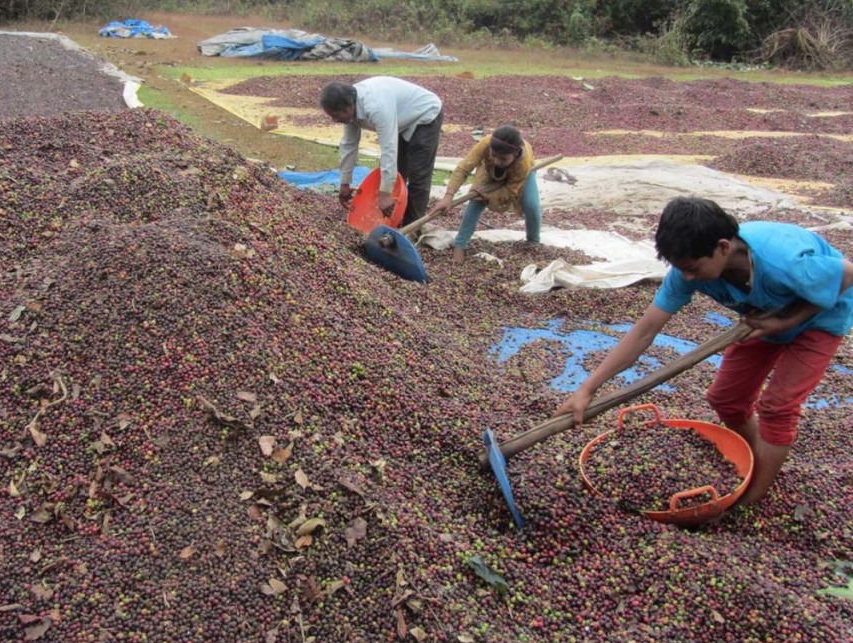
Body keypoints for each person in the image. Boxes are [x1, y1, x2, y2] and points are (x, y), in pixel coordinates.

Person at [555, 197, 853, 507]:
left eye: (693, 268)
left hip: (820, 319)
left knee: (777, 406)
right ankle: (752, 463)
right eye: (680, 269)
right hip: (761, 320)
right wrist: (587, 389)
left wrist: (786, 320)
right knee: (726, 398)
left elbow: (846, 275)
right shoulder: (687, 272)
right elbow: (645, 330)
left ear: (723, 247)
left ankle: (751, 499)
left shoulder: (784, 260)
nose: (687, 278)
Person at [320, 77, 442, 227]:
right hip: (400, 120)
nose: (334, 120)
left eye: (336, 116)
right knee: (395, 174)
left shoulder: (376, 107)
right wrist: (344, 183)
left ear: (349, 107)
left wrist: (385, 194)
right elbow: (349, 144)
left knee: (418, 174)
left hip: (424, 114)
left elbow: (388, 149)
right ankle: (392, 219)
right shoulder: (350, 108)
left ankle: (411, 227)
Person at [428, 125, 541, 263]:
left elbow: (510, 191)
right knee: (476, 198)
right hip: (489, 170)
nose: (497, 161)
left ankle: (533, 241)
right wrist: (448, 196)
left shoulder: (523, 163)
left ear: (515, 154)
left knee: (531, 205)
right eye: (494, 155)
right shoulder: (485, 144)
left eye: (503, 159)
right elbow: (464, 168)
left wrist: (489, 196)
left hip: (520, 174)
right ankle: (460, 244)